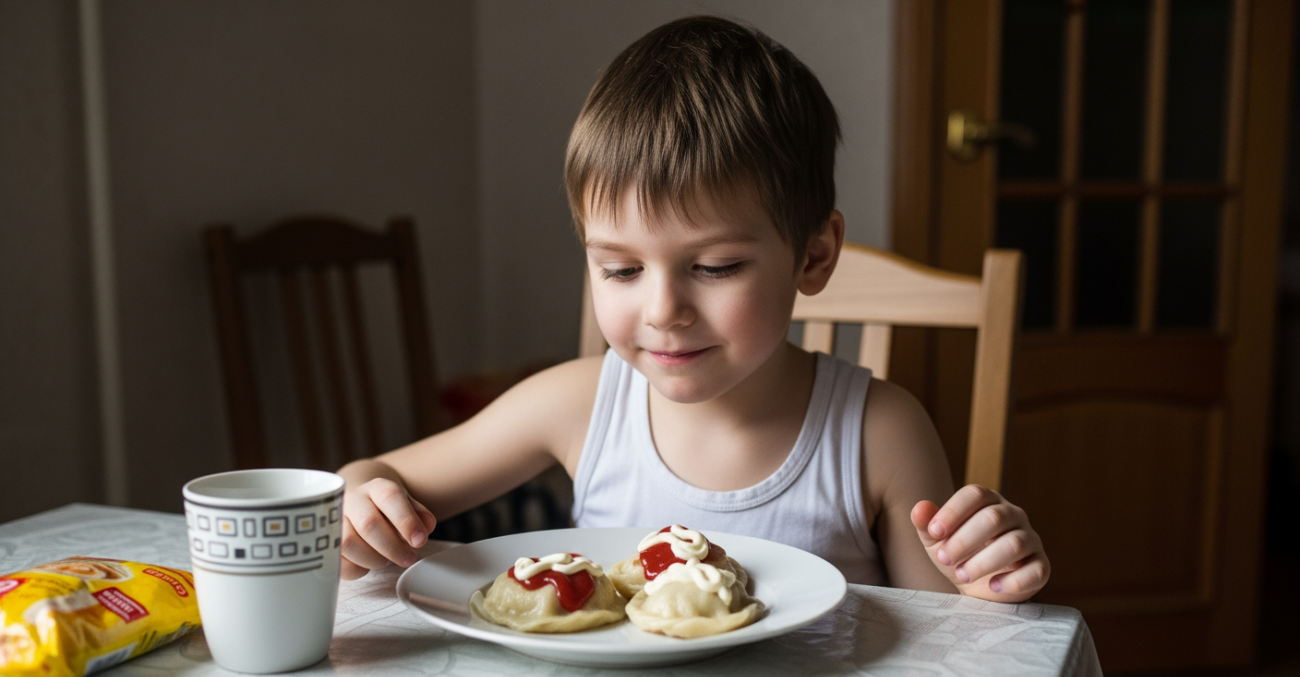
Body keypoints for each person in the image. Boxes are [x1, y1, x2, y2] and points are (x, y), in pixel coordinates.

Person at [338, 15, 1049, 602]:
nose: (663, 309)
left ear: (813, 257)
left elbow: (945, 640)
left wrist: (987, 582)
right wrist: (362, 502)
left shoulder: (880, 434)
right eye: (619, 269)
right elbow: (373, 474)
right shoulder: (578, 403)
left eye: (714, 268)